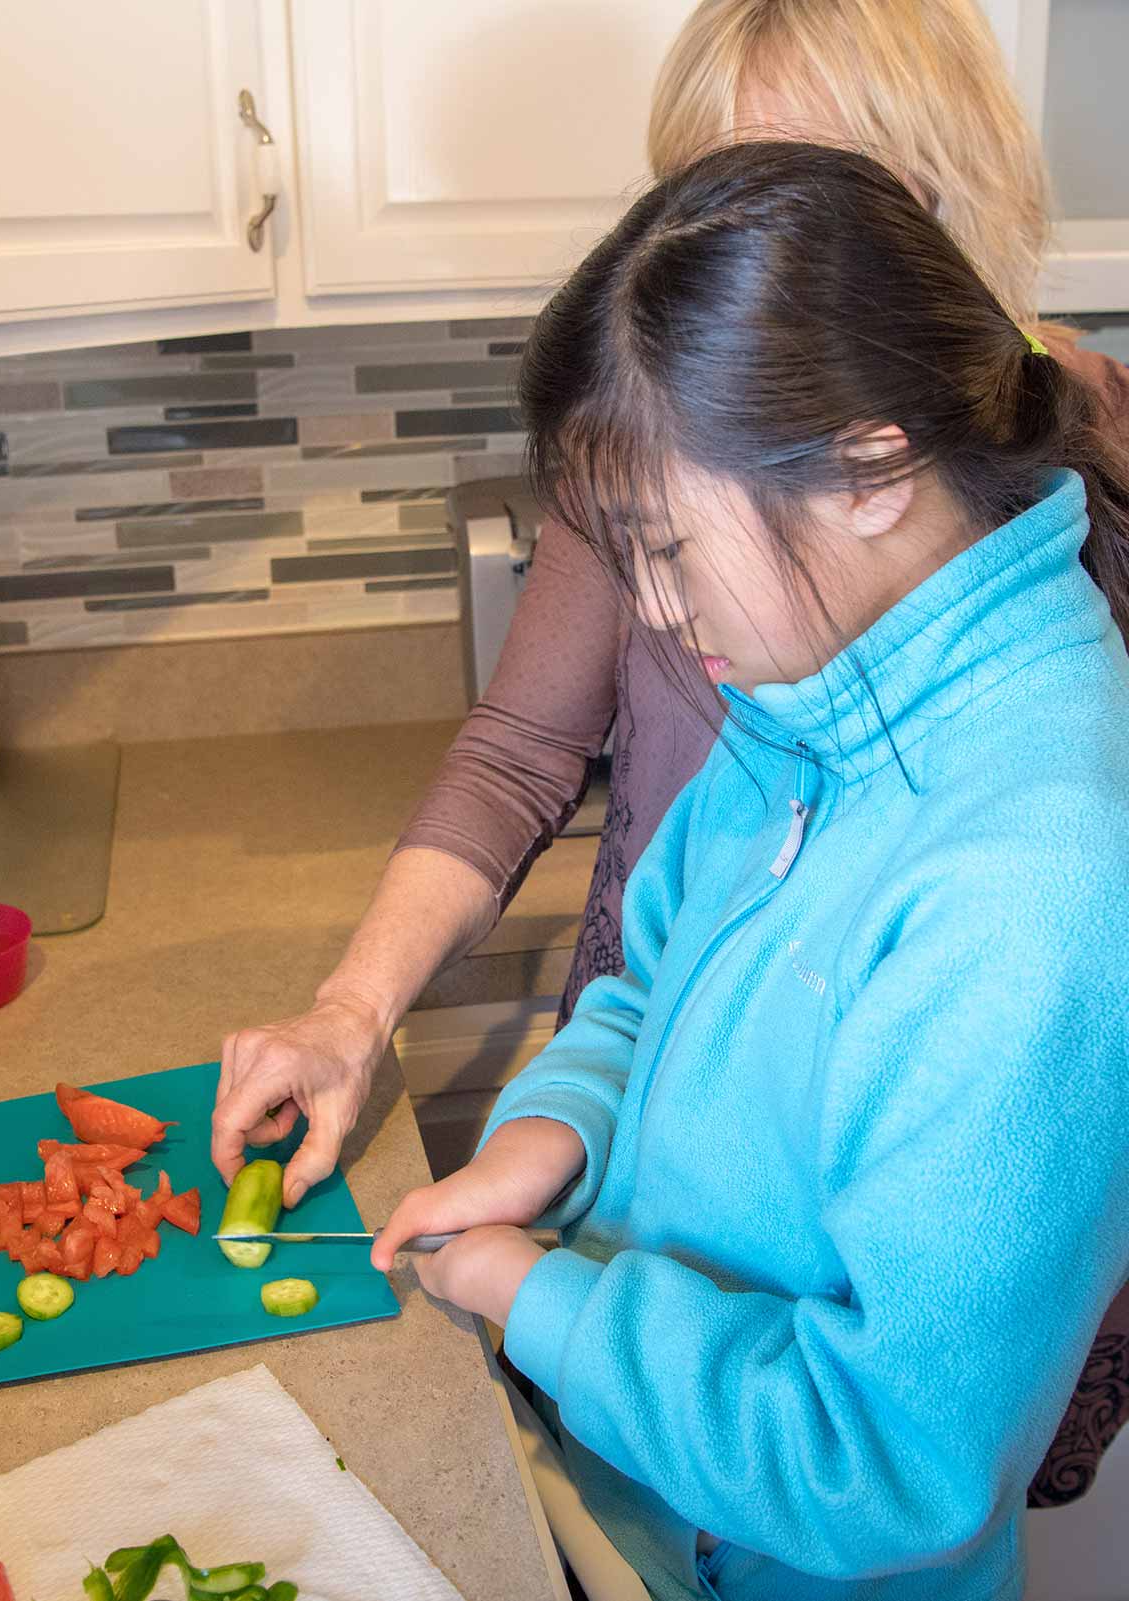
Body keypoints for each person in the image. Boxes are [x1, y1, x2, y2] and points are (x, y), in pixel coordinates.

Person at [210, 0, 1129, 1496]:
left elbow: (881, 1449)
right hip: (669, 1328)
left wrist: (543, 1295)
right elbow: (626, 926)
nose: (736, 249)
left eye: (801, 196)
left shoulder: (1017, 876)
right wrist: (520, 1116)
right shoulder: (797, 658)